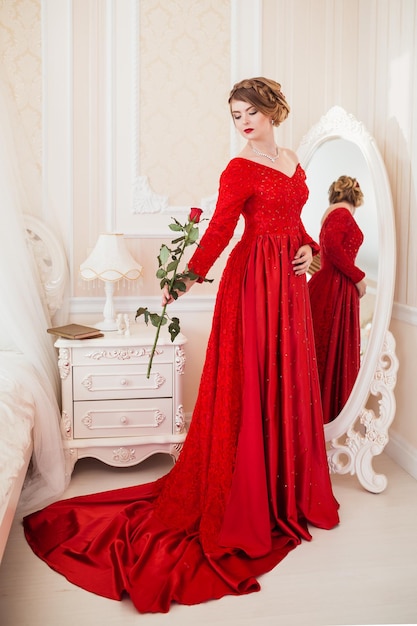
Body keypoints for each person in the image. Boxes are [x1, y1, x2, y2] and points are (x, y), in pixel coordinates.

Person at [23, 77, 339, 614]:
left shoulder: (292, 159)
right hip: (253, 283)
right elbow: (219, 230)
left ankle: (288, 492)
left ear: (271, 111)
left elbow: (300, 224)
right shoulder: (238, 168)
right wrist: (185, 279)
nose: (241, 122)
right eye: (235, 114)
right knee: (250, 380)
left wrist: (310, 254)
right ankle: (248, 494)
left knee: (286, 380)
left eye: (249, 112)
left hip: (288, 285)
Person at [308, 175, 366, 423]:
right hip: (335, 289)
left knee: (326, 352)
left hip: (333, 287)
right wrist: (359, 277)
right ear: (355, 197)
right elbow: (331, 247)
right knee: (330, 353)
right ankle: (330, 418)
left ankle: (325, 417)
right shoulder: (342, 215)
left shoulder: (332, 214)